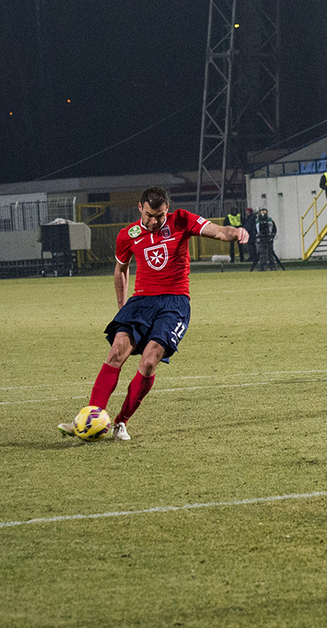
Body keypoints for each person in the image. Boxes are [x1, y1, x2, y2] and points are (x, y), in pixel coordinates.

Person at [58, 186, 249, 442]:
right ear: (140, 208)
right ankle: (88, 418)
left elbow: (218, 231)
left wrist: (236, 232)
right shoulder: (128, 235)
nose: (154, 221)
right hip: (141, 301)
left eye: (159, 216)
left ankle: (121, 422)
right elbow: (121, 269)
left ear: (167, 209)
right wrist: (123, 308)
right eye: (149, 215)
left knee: (149, 362)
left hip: (174, 303)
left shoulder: (181, 220)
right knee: (116, 351)